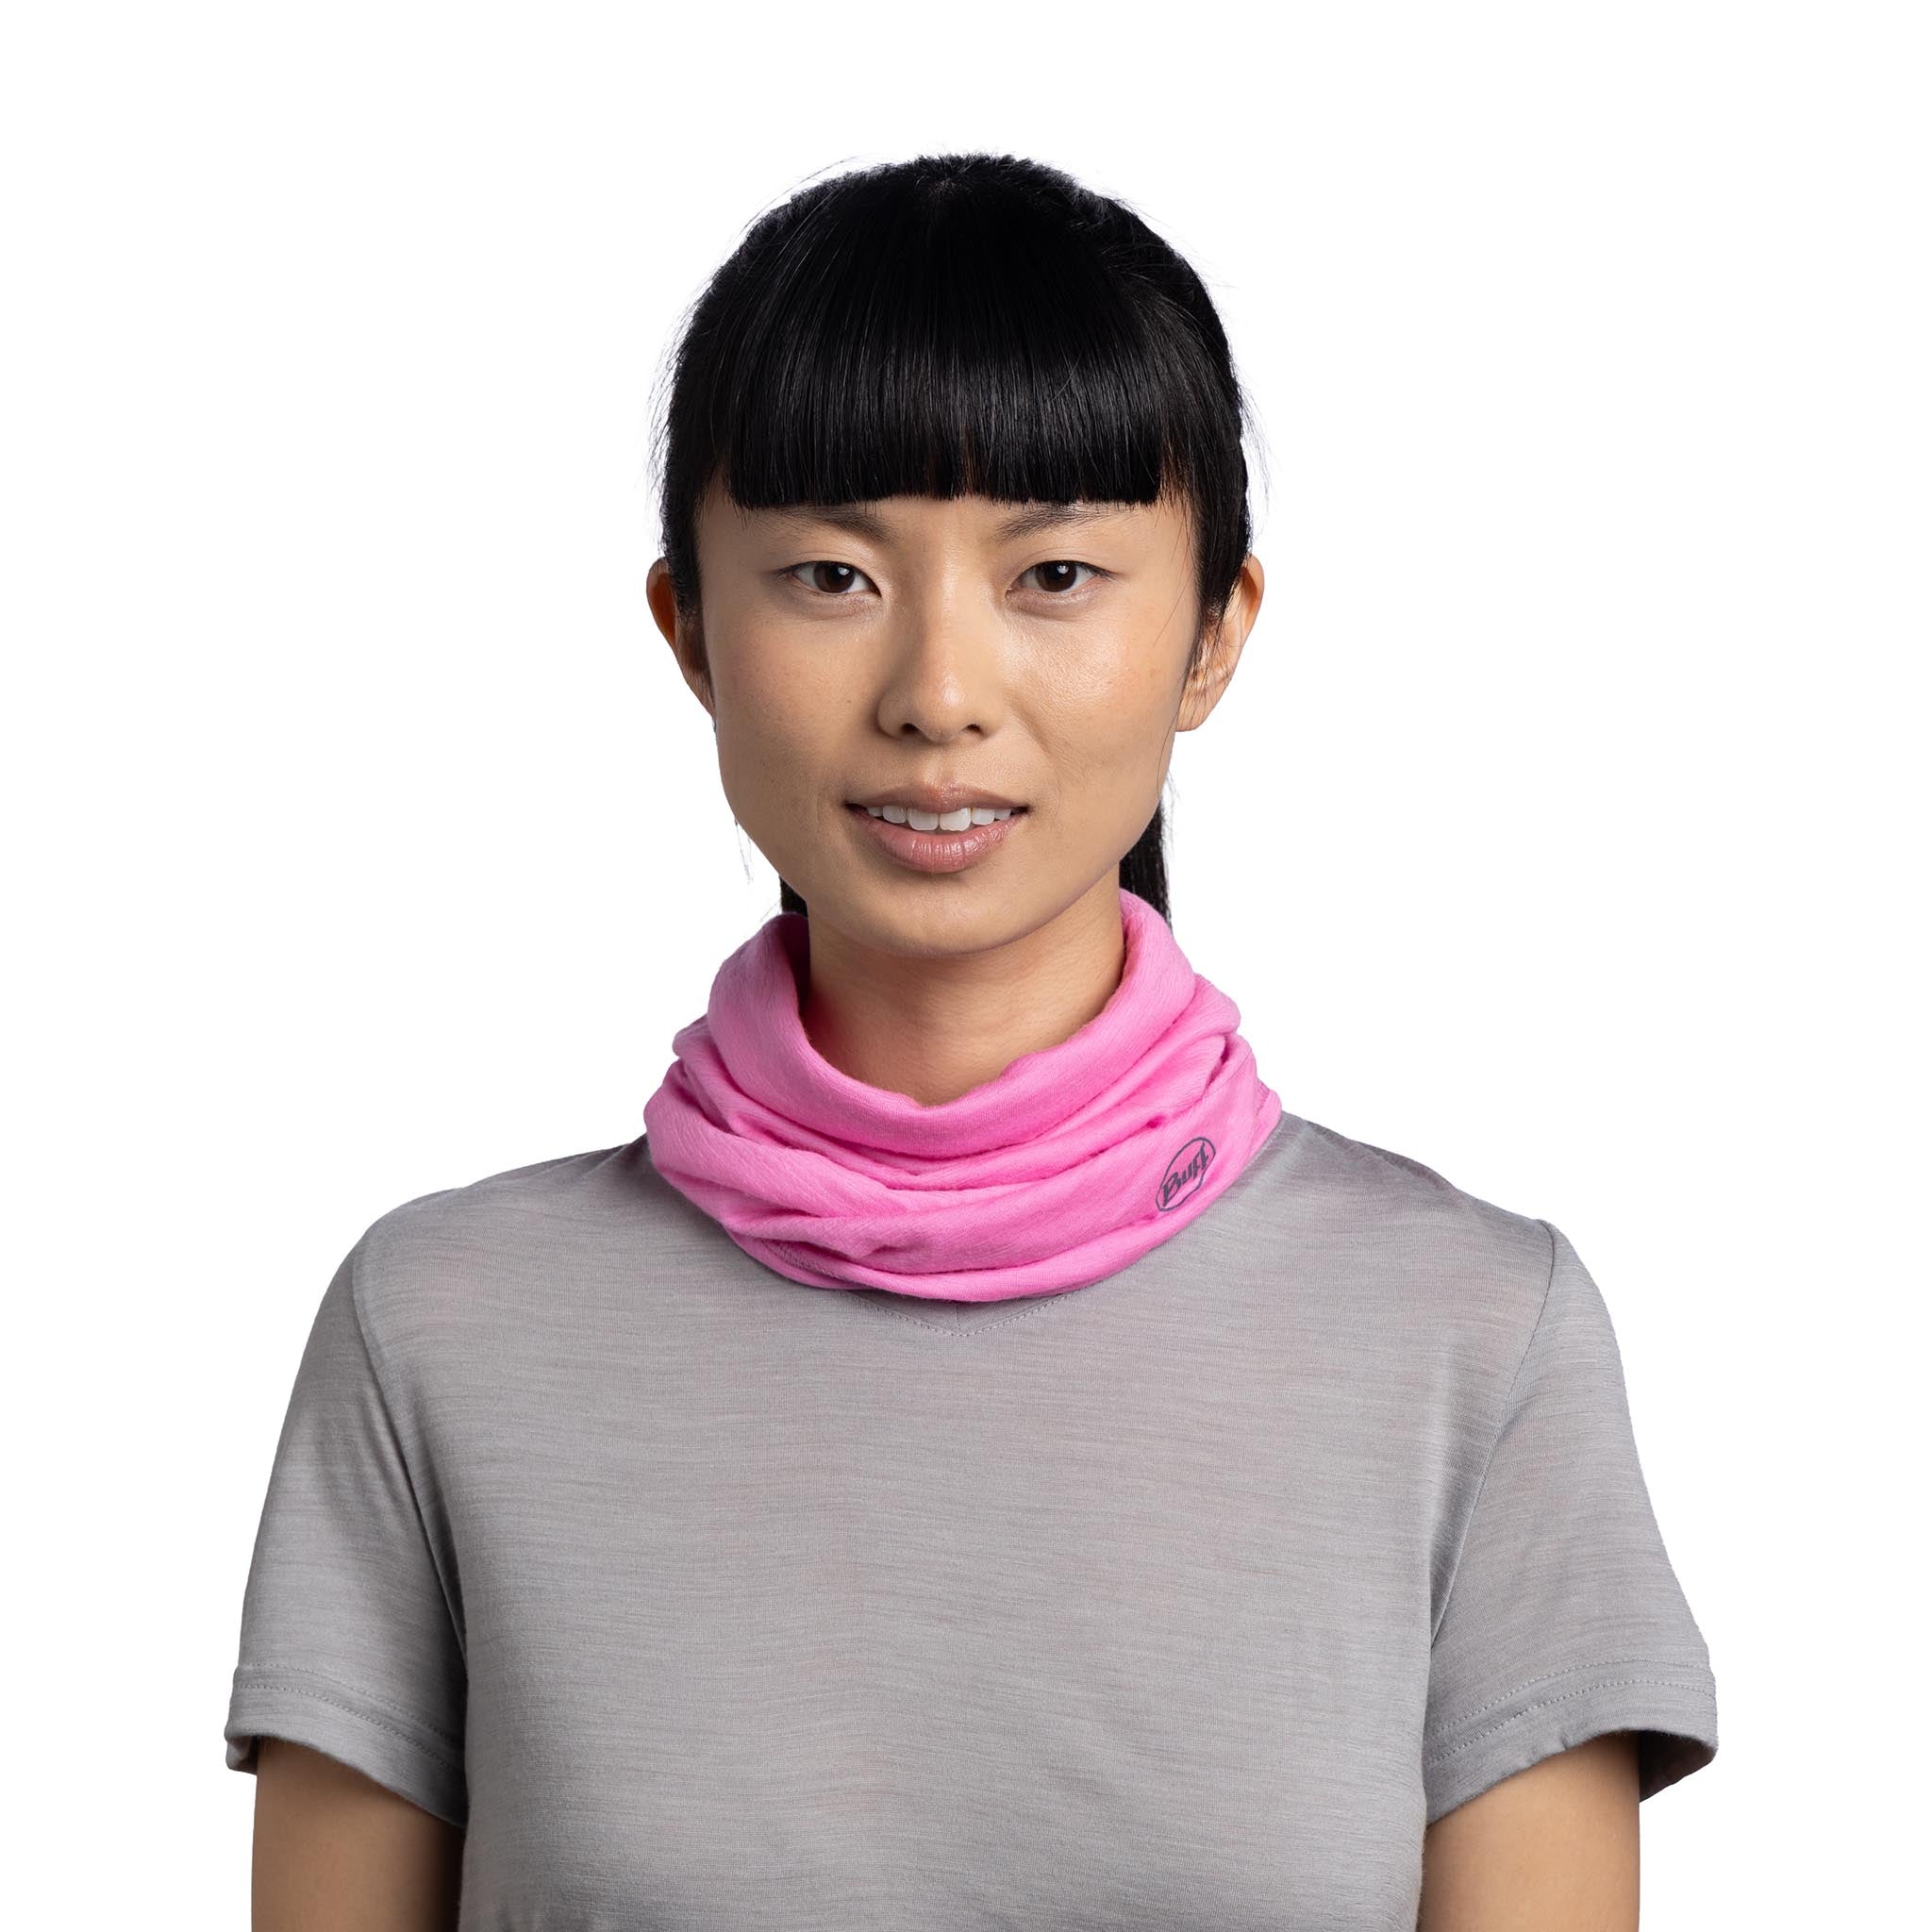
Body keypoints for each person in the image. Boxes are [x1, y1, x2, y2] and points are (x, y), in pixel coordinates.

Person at [224, 152, 1718, 1930]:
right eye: (830, 575)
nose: (939, 692)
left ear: (1215, 635)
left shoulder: (1479, 1341)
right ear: (690, 631)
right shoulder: (439, 1333)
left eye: (1056, 572)